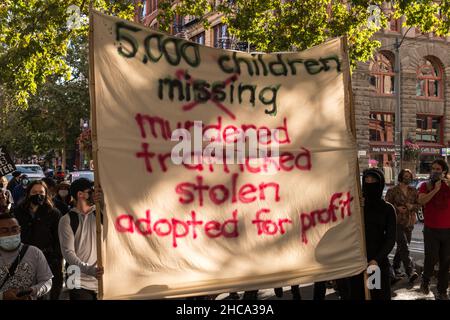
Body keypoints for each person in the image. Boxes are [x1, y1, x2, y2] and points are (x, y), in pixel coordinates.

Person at [350, 168, 396, 300]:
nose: (370, 183)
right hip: (357, 261)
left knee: (375, 294)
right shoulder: (357, 207)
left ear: (380, 183)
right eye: (366, 180)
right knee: (357, 293)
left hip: (376, 262)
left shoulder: (387, 208)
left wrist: (376, 260)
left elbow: (390, 238)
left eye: (374, 180)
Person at [12, 180, 63, 300]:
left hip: (47, 260)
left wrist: (56, 258)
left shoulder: (54, 213)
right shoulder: (18, 212)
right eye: (34, 192)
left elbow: (59, 239)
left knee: (44, 294)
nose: (38, 195)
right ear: (28, 193)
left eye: (41, 192)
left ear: (46, 194)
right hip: (23, 261)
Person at [58, 178, 103, 300]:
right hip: (76, 279)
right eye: (91, 191)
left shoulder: (100, 215)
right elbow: (68, 253)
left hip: (102, 279)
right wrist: (89, 270)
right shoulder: (66, 220)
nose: (94, 194)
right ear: (80, 194)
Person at [0, 213, 53, 300]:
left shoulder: (34, 252)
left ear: (20, 230)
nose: (10, 234)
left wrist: (33, 291)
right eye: (4, 231)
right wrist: (3, 296)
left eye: (14, 229)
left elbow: (47, 281)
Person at [417, 159, 450, 300]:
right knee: (431, 258)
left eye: (438, 169)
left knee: (446, 261)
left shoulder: (449, 186)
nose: (435, 171)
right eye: (433, 169)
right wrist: (435, 189)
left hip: (448, 230)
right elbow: (421, 201)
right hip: (431, 229)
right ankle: (425, 281)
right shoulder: (425, 185)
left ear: (444, 172)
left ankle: (442, 290)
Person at [385, 169, 419, 283]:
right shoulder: (392, 190)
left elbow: (419, 205)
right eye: (405, 176)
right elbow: (386, 205)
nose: (407, 178)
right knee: (404, 246)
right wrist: (397, 208)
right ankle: (411, 271)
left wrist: (412, 207)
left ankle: (395, 267)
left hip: (408, 223)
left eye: (409, 176)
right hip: (396, 223)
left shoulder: (413, 191)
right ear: (401, 177)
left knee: (402, 248)